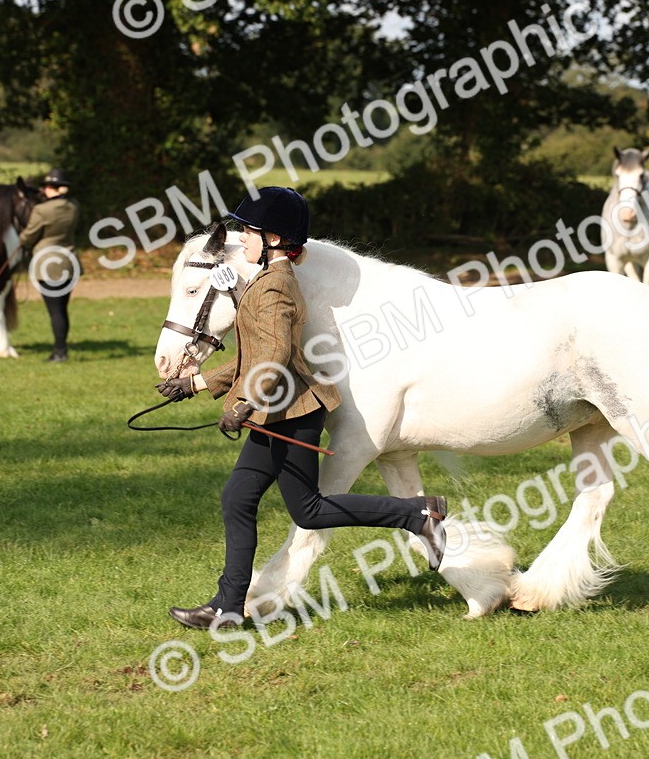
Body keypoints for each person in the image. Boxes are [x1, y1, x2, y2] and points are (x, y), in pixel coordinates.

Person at [155, 186, 448, 631]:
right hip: (279, 407)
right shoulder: (264, 279)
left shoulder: (274, 287)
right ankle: (228, 606)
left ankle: (417, 514)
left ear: (273, 238)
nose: (242, 239)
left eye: (249, 231)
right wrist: (195, 382)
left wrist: (245, 403)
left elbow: (271, 357)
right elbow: (251, 354)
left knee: (307, 510)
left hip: (290, 411)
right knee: (240, 498)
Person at [19, 168, 80, 362]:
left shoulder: (41, 210)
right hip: (69, 263)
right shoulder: (73, 206)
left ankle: (60, 352)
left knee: (55, 311)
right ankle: (61, 350)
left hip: (48, 266)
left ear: (49, 188)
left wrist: (22, 239)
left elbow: (28, 236)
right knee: (62, 308)